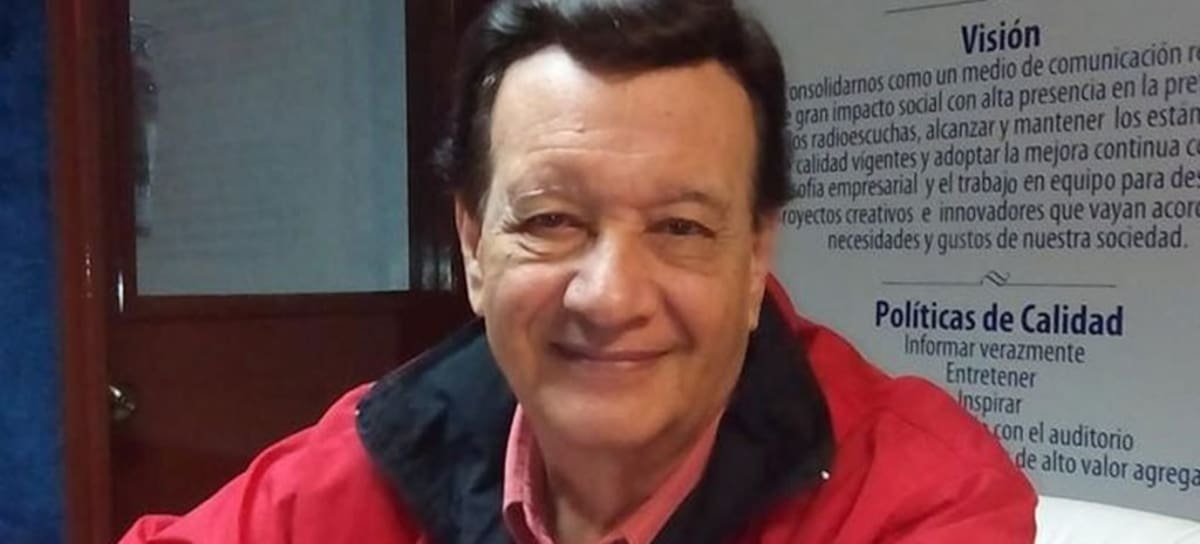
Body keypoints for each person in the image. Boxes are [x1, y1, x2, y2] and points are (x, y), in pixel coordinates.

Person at [120, 1, 1036, 542]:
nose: (610, 297)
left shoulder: (913, 496)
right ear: (473, 245)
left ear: (756, 254)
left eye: (680, 227)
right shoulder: (396, 445)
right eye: (552, 221)